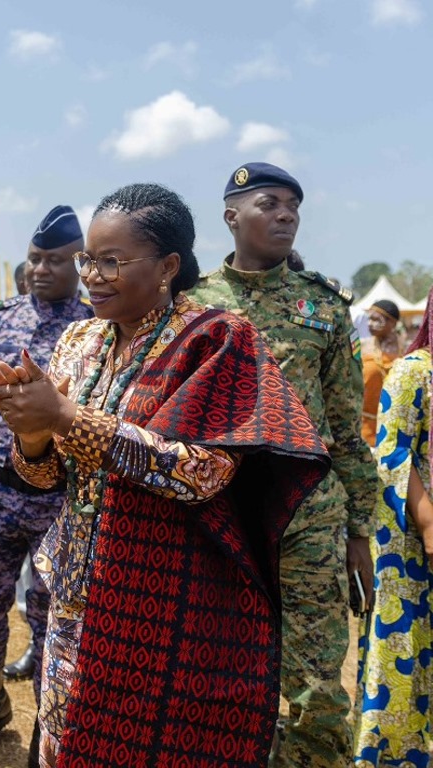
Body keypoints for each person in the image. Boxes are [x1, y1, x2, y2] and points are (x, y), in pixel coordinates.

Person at [0, 183, 330, 767]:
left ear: (169, 266)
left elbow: (203, 472)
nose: (92, 275)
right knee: (68, 742)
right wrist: (32, 431)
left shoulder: (217, 338)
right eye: (87, 260)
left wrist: (66, 415)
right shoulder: (78, 340)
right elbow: (45, 478)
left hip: (169, 601)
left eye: (112, 261)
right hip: (75, 594)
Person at [190, 162, 378, 767]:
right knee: (215, 668)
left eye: (293, 205)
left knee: (317, 680)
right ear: (231, 217)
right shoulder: (191, 305)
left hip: (310, 519)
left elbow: (347, 431)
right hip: (219, 512)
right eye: (269, 203)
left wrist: (358, 530)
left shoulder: (323, 305)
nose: (287, 214)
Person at [0, 205, 94, 764]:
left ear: (78, 264)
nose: (40, 270)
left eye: (54, 260)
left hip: (61, 499)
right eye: (34, 259)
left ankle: (43, 731)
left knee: (52, 622)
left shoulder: (94, 329)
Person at [354, 284, 433, 766]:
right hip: (409, 541)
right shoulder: (413, 372)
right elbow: (395, 456)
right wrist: (427, 520)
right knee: (405, 653)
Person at [361, 299, 403, 447]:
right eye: (369, 319)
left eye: (376, 319)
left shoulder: (405, 349)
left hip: (396, 426)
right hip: (365, 428)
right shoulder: (363, 346)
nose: (370, 324)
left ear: (392, 323)